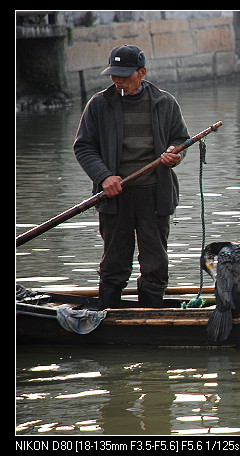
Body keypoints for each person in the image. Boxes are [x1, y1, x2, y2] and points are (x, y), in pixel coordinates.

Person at [74, 44, 190, 309]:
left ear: (142, 72)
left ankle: (151, 313)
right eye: (114, 75)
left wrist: (175, 154)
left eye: (125, 75)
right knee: (114, 261)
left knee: (155, 262)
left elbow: (180, 139)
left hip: (154, 195)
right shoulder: (99, 105)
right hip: (115, 195)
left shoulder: (165, 102)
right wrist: (104, 177)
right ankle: (107, 311)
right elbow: (84, 146)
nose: (118, 80)